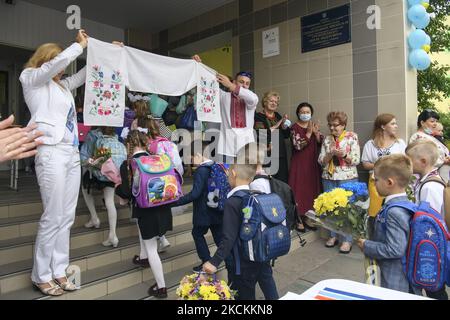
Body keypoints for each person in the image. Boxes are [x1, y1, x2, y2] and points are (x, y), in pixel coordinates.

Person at [19, 30, 89, 296]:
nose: (63, 70)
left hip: (71, 153)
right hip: (50, 152)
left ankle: (59, 270)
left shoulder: (61, 86)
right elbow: (53, 67)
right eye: (59, 62)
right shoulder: (31, 78)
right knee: (52, 215)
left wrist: (99, 52)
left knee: (67, 217)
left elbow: (83, 75)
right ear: (48, 59)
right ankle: (41, 274)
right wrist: (77, 46)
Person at [203, 143, 279, 300]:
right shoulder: (255, 195)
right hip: (261, 256)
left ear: (233, 172)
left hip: (242, 263)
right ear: (251, 177)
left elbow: (228, 237)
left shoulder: (233, 202)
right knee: (270, 290)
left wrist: (214, 261)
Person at [115, 130, 171, 298]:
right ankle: (143, 256)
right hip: (163, 208)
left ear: (129, 145)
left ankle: (161, 287)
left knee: (152, 248)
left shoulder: (128, 164)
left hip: (146, 212)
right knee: (147, 239)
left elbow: (125, 192)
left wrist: (118, 188)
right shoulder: (157, 158)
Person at [357, 154, 421, 295]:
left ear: (389, 182)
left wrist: (367, 245)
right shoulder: (406, 204)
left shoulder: (394, 212)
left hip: (395, 282)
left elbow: (395, 249)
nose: (373, 182)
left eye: (376, 179)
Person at [192, 55, 258, 161]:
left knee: (246, 177)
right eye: (241, 82)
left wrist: (230, 85)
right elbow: (205, 84)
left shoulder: (251, 98)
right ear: (235, 82)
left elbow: (253, 99)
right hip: (226, 148)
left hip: (247, 148)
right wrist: (198, 65)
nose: (245, 85)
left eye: (247, 83)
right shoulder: (223, 96)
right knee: (227, 176)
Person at [173, 140, 225, 272]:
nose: (191, 161)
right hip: (217, 210)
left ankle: (206, 261)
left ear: (197, 154)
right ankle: (231, 260)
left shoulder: (201, 170)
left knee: (196, 233)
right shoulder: (217, 166)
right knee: (220, 238)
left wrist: (176, 201)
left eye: (191, 158)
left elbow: (195, 194)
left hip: (204, 212)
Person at [406, 140, 448, 300]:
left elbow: (431, 222)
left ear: (423, 162)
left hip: (431, 249)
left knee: (434, 288)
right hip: (430, 247)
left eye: (409, 160)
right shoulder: (426, 181)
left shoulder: (430, 186)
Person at [318, 111, 360, 254]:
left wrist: (344, 155)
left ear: (343, 125)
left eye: (335, 126)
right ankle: (333, 236)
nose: (332, 129)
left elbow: (356, 160)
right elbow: (320, 160)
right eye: (330, 125)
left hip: (347, 177)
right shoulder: (327, 139)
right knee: (330, 208)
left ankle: (347, 240)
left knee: (347, 209)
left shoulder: (352, 137)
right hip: (329, 177)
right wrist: (330, 154)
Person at [361, 114, 406, 239]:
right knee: (375, 211)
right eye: (392, 123)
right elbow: (365, 164)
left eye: (395, 123)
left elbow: (406, 162)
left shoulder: (400, 143)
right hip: (376, 182)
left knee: (394, 210)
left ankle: (394, 238)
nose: (396, 126)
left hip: (395, 183)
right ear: (382, 126)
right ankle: (375, 238)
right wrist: (380, 165)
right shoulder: (370, 144)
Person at [81, 127, 127, 248]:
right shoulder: (115, 136)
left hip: (99, 173)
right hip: (112, 174)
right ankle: (113, 235)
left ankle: (94, 218)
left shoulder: (93, 134)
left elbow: (84, 157)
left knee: (85, 188)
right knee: (109, 201)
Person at [288, 102, 322, 232]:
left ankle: (308, 218)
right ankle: (298, 219)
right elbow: (297, 145)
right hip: (299, 164)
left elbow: (320, 143)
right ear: (298, 113)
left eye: (307, 112)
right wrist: (308, 133)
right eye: (302, 112)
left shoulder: (313, 126)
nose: (305, 114)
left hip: (312, 163)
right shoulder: (294, 127)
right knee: (298, 191)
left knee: (310, 191)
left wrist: (316, 133)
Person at [253, 91, 291, 183]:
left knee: (282, 182)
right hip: (267, 155)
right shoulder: (258, 116)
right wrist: (278, 124)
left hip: (280, 154)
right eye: (271, 101)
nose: (274, 103)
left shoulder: (277, 116)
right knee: (268, 182)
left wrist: (284, 127)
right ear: (265, 102)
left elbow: (286, 135)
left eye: (276, 102)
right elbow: (261, 134)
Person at [410, 109, 450, 183]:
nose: (435, 124)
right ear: (422, 122)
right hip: (430, 177)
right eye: (432, 121)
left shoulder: (429, 136)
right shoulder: (418, 137)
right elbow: (423, 158)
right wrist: (443, 161)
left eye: (436, 121)